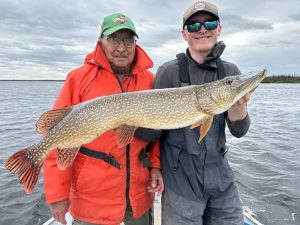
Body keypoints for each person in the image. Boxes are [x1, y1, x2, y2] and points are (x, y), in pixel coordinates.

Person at [43, 12, 164, 225]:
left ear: (135, 43)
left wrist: (155, 166)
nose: (121, 47)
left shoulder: (150, 81)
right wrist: (57, 194)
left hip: (138, 196)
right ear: (100, 41)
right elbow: (55, 136)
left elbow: (159, 128)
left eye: (128, 39)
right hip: (92, 201)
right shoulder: (78, 79)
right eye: (114, 39)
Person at [154, 1, 252, 225]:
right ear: (184, 34)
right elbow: (151, 136)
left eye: (209, 22)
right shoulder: (168, 72)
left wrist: (239, 106)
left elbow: (239, 131)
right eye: (194, 26)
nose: (202, 29)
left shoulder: (229, 72)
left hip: (220, 178)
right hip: (180, 182)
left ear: (219, 28)